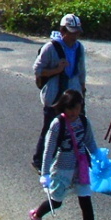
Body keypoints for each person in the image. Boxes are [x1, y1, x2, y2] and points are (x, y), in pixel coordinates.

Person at [28, 90, 106, 220]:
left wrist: (98, 157)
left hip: (81, 168)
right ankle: (36, 215)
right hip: (62, 168)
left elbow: (90, 142)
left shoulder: (84, 122)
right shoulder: (58, 124)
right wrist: (45, 173)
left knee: (86, 203)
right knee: (56, 201)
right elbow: (48, 150)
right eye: (70, 108)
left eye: (76, 108)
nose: (73, 112)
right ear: (64, 107)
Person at [32, 13, 86, 172]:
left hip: (73, 94)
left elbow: (81, 70)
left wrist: (82, 91)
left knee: (78, 128)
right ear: (62, 31)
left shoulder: (79, 48)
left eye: (77, 32)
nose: (74, 36)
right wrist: (56, 69)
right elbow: (38, 70)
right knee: (50, 129)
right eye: (71, 32)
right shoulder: (51, 47)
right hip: (55, 96)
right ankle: (39, 160)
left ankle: (74, 163)